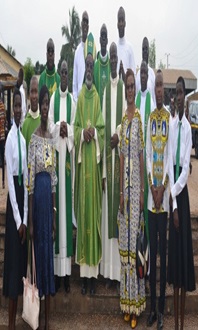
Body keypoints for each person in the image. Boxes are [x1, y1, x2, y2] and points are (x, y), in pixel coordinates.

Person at [74, 53, 105, 295]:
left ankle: (93, 277)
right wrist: (80, 134)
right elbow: (74, 127)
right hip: (83, 166)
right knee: (83, 217)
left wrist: (93, 133)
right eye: (87, 65)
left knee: (92, 217)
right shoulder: (80, 98)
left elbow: (103, 129)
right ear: (83, 68)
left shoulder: (96, 99)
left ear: (94, 70)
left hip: (92, 170)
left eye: (91, 66)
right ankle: (83, 278)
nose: (88, 70)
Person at [28, 85, 57, 330]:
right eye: (43, 103)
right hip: (37, 203)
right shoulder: (34, 138)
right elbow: (29, 181)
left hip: (49, 204)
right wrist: (31, 219)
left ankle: (48, 320)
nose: (45, 107)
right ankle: (36, 318)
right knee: (38, 254)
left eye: (47, 103)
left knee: (48, 256)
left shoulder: (51, 140)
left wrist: (55, 216)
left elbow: (55, 178)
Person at [168, 76, 195, 330]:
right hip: (173, 201)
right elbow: (168, 161)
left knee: (184, 259)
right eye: (174, 93)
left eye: (179, 93)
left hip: (182, 196)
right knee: (174, 263)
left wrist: (176, 199)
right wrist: (172, 205)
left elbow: (185, 169)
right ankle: (173, 319)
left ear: (184, 97)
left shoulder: (186, 128)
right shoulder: (171, 123)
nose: (177, 97)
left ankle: (181, 323)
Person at [118, 68, 145, 329]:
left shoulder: (138, 119)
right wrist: (121, 194)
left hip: (136, 189)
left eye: (131, 86)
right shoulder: (123, 121)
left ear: (135, 89)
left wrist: (140, 193)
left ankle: (136, 306)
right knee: (125, 251)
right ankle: (125, 303)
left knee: (135, 251)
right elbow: (122, 157)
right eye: (126, 87)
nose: (128, 90)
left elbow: (139, 156)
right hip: (125, 193)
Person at [48, 60, 76, 293]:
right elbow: (48, 126)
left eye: (68, 73)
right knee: (59, 217)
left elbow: (75, 126)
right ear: (59, 74)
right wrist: (60, 127)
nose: (65, 75)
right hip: (57, 164)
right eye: (63, 72)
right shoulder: (55, 98)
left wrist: (70, 130)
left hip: (66, 164)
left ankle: (67, 275)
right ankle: (58, 275)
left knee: (66, 217)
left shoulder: (73, 101)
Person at [146, 70, 170, 330]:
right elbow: (149, 152)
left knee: (163, 256)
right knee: (153, 257)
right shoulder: (152, 118)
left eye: (163, 86)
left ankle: (162, 309)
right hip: (153, 199)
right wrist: (153, 187)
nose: (160, 90)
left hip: (164, 201)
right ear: (154, 90)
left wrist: (163, 187)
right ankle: (152, 308)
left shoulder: (169, 119)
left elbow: (169, 157)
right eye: (158, 86)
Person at [100, 42, 125, 289]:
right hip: (110, 166)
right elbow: (104, 130)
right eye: (112, 56)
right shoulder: (107, 90)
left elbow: (123, 126)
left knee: (120, 221)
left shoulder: (124, 93)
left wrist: (119, 134)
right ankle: (108, 273)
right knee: (109, 220)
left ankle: (119, 275)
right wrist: (105, 173)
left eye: (117, 56)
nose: (115, 59)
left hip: (123, 167)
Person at [3, 88, 28, 329]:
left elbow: (26, 178)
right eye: (16, 106)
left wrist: (27, 219)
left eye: (21, 106)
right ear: (13, 109)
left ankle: (19, 318)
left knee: (21, 264)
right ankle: (9, 323)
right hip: (13, 210)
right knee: (11, 264)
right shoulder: (11, 139)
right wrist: (19, 219)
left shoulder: (22, 138)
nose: (19, 110)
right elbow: (11, 182)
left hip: (23, 202)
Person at [135, 60, 154, 244]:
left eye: (145, 73)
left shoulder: (151, 99)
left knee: (145, 209)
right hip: (135, 162)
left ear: (148, 77)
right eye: (140, 72)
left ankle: (145, 263)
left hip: (146, 162)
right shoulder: (133, 100)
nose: (142, 75)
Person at [73, 11, 89, 103]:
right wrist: (76, 101)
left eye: (87, 22)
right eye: (84, 21)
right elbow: (74, 82)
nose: (85, 24)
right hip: (78, 102)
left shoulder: (92, 50)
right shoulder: (77, 51)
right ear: (81, 25)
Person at [117, 6, 136, 82]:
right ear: (117, 24)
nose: (121, 24)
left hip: (127, 91)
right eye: (119, 21)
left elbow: (133, 75)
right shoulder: (114, 48)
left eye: (122, 21)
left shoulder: (130, 48)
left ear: (125, 23)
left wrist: (124, 75)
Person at [22, 76, 40, 153]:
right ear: (29, 95)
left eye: (36, 91)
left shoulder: (44, 121)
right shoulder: (25, 124)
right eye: (32, 92)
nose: (34, 96)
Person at [94, 24, 110, 108]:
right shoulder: (95, 67)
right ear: (99, 40)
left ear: (107, 40)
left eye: (105, 36)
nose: (103, 38)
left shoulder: (111, 66)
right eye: (102, 36)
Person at [136, 37, 156, 105]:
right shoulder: (138, 75)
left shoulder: (152, 74)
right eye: (143, 49)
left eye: (146, 49)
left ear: (149, 51)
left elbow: (154, 98)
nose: (144, 51)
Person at [0, 83, 6, 188]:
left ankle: (3, 181)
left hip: (2, 136)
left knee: (2, 157)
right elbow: (4, 121)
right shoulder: (2, 105)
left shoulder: (2, 105)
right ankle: (3, 181)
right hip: (2, 136)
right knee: (2, 157)